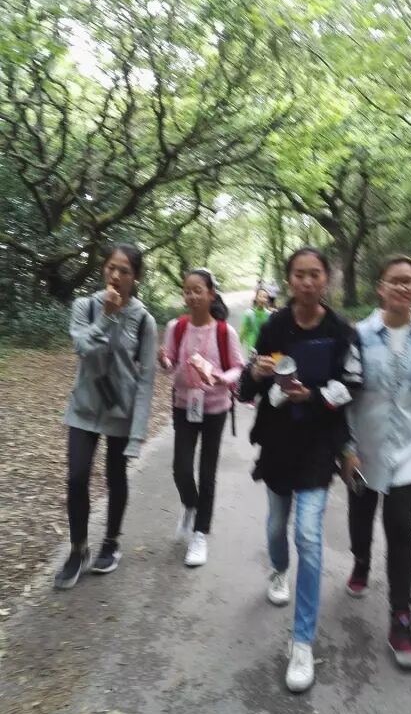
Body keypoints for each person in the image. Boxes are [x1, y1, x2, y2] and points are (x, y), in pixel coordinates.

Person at [238, 247, 362, 693]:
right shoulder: (274, 326)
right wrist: (257, 372)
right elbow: (245, 389)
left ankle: (303, 640)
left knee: (308, 535)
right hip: (278, 444)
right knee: (277, 526)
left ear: (326, 279)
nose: (307, 282)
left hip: (317, 447)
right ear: (289, 280)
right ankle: (278, 569)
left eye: (315, 274)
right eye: (299, 275)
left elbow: (353, 384)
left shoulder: (340, 330)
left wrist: (315, 397)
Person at [342, 255, 411, 669]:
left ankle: (401, 619)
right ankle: (361, 561)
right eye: (394, 280)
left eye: (409, 281)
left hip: (408, 451)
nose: (402, 287)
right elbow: (346, 395)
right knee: (359, 517)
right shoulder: (358, 336)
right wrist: (346, 447)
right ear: (380, 288)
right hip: (364, 449)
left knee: (400, 528)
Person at [55, 243, 157, 589]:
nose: (115, 275)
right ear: (103, 269)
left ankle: (111, 542)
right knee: (76, 477)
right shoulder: (85, 307)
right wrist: (107, 316)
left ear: (135, 277)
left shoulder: (144, 321)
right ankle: (78, 549)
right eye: (111, 268)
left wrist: (137, 435)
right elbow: (82, 347)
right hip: (83, 408)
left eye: (124, 271)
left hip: (120, 412)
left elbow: (146, 381)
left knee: (116, 477)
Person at [158, 268, 244, 567]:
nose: (192, 296)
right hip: (184, 406)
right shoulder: (177, 327)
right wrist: (163, 360)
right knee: (181, 468)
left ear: (211, 294)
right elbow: (170, 365)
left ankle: (200, 534)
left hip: (215, 409)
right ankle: (191, 505)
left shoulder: (224, 331)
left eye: (198, 290)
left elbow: (238, 366)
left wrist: (223, 378)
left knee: (207, 473)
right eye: (188, 291)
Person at [239, 288, 271, 354]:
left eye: (265, 297)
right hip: (252, 345)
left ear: (267, 300)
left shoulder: (269, 314)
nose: (262, 299)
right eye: (260, 296)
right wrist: (239, 344)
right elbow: (243, 330)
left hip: (264, 345)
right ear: (256, 298)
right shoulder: (249, 313)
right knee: (253, 360)